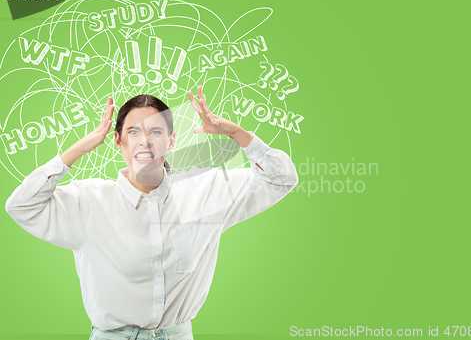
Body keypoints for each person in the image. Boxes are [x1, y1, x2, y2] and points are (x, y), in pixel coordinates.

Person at [5, 86, 299, 340]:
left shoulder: (206, 192)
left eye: (156, 131)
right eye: (134, 132)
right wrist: (77, 150)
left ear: (171, 141)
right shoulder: (90, 200)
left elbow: (281, 178)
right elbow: (21, 205)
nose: (145, 140)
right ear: (118, 140)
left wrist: (237, 134)